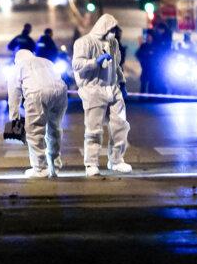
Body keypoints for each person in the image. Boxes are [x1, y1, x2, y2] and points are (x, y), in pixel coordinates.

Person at [72, 13, 132, 176]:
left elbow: (117, 66)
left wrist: (122, 83)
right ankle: (91, 164)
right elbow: (77, 64)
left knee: (121, 126)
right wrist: (95, 62)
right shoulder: (84, 42)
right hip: (94, 90)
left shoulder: (113, 43)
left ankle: (117, 160)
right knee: (94, 129)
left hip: (113, 89)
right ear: (104, 28)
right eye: (111, 29)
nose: (113, 33)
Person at [8, 49, 68, 178]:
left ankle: (40, 168)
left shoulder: (18, 67)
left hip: (37, 93)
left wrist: (14, 119)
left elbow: (14, 96)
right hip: (61, 91)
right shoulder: (46, 61)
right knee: (55, 129)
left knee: (34, 132)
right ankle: (54, 165)